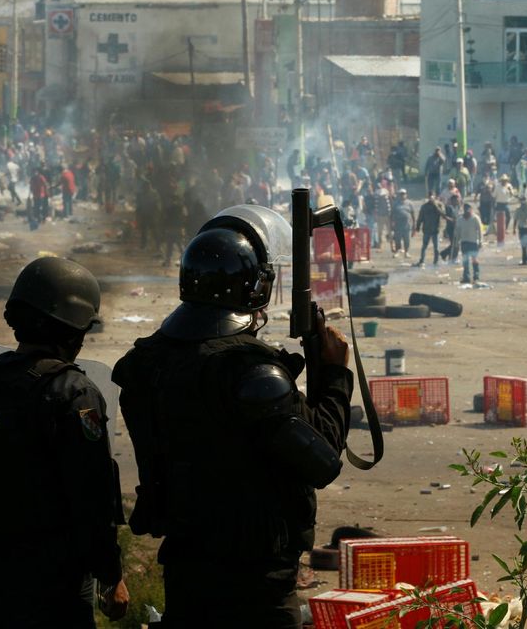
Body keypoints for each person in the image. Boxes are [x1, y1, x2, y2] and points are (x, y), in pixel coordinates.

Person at [112, 205, 352, 628]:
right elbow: (323, 459)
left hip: (187, 566)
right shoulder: (251, 372)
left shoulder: (148, 364)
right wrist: (333, 375)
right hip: (255, 580)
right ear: (254, 289)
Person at [0, 257, 129, 628]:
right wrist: (111, 574)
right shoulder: (73, 392)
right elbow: (93, 497)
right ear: (73, 330)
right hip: (59, 584)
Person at [455, 201, 483, 284]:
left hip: (473, 242)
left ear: (471, 209)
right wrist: (457, 242)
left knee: (474, 260)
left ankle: (476, 276)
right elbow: (458, 232)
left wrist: (480, 241)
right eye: (465, 208)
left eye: (468, 208)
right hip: (464, 242)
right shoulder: (460, 219)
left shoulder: (475, 218)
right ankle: (466, 277)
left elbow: (480, 230)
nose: (467, 210)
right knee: (465, 261)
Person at [414, 192, 444, 267]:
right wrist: (418, 226)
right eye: (430, 195)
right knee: (424, 246)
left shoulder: (439, 204)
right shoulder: (424, 206)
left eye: (432, 195)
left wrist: (435, 205)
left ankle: (436, 261)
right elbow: (420, 217)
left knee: (436, 247)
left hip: (435, 230)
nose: (431, 197)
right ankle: (422, 260)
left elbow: (443, 214)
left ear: (435, 196)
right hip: (426, 229)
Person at [390, 188, 415, 257]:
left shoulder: (410, 203)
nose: (402, 195)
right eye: (401, 194)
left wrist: (414, 225)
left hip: (407, 225)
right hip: (398, 225)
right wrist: (391, 224)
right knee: (397, 239)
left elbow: (413, 214)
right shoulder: (395, 203)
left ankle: (406, 252)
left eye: (403, 194)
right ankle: (397, 251)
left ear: (406, 195)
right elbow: (392, 214)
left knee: (407, 240)